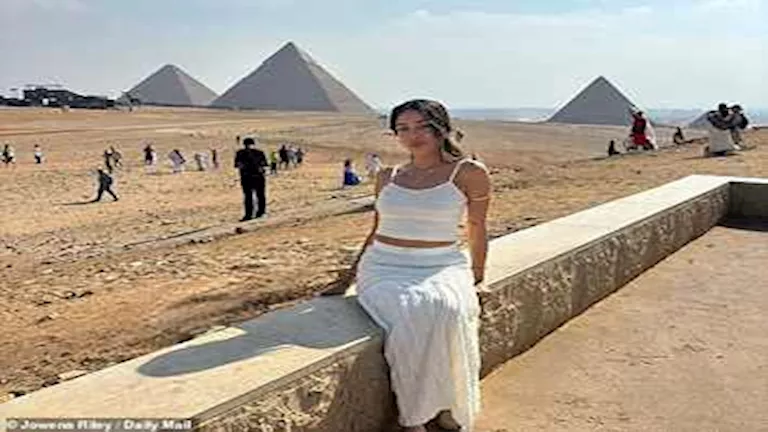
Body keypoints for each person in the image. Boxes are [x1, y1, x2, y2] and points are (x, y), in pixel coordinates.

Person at [323, 99, 491, 432]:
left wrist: (478, 276)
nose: (413, 135)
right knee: (412, 313)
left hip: (442, 264)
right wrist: (347, 279)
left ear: (441, 128)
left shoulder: (470, 172)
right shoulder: (387, 176)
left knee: (449, 310)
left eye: (422, 126)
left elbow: (477, 227)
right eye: (403, 128)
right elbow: (376, 229)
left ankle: (447, 403)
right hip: (383, 266)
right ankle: (416, 415)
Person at [234, 137, 268, 221]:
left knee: (251, 196)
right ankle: (259, 213)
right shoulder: (259, 153)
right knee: (258, 195)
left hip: (248, 177)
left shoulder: (240, 153)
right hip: (255, 177)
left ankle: (251, 214)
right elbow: (264, 165)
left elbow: (237, 165)